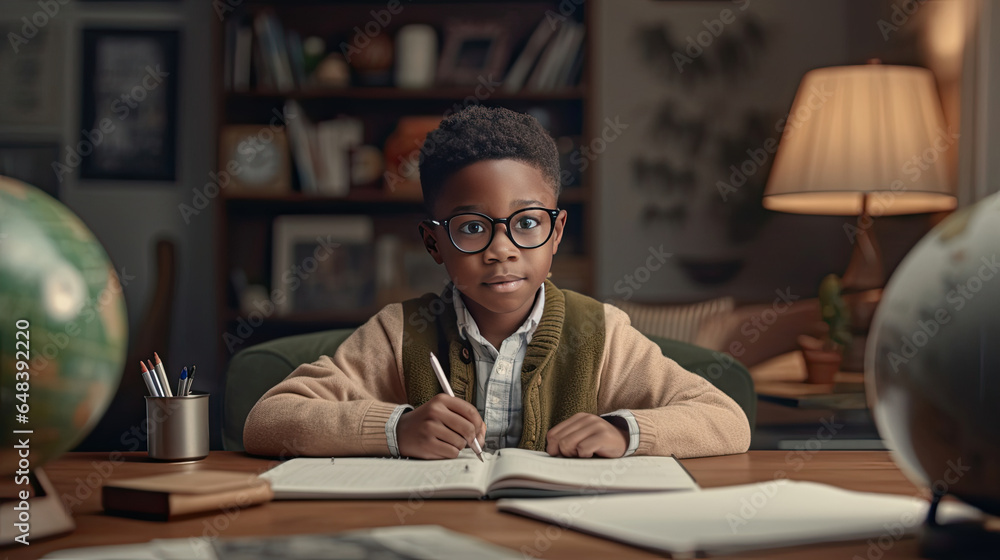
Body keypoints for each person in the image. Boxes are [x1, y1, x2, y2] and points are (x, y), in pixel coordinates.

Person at [243, 106, 750, 460]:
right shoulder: (400, 331)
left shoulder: (602, 332)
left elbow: (726, 420)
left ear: (557, 233)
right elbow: (268, 420)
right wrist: (396, 429)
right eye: (470, 228)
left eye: (527, 222)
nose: (501, 248)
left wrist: (625, 431)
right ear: (434, 243)